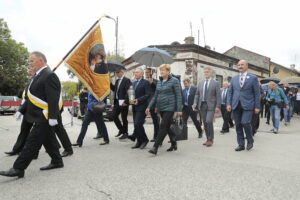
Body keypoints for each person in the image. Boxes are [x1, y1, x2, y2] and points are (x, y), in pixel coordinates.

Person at [0, 52, 63, 178]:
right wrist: (20, 111)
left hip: (44, 116)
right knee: (48, 140)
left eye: (32, 61)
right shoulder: (38, 76)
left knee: (31, 142)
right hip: (38, 115)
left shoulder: (49, 75)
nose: (30, 63)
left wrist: (52, 117)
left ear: (41, 60)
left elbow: (53, 99)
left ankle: (18, 168)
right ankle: (57, 161)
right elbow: (30, 98)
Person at [72, 53, 109, 147]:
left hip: (97, 107)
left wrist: (99, 101)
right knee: (84, 124)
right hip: (90, 108)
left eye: (98, 59)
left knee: (101, 124)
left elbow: (104, 93)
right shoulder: (92, 80)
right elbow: (90, 95)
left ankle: (106, 139)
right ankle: (79, 141)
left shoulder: (102, 77)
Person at [146, 64, 182, 155]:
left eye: (163, 70)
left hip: (170, 107)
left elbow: (178, 95)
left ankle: (155, 147)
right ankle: (174, 143)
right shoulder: (159, 81)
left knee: (163, 126)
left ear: (168, 71)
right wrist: (149, 106)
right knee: (167, 126)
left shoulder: (174, 81)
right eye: (160, 70)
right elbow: (155, 96)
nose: (161, 72)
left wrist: (179, 109)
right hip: (161, 107)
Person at [227, 60, 260, 151]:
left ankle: (250, 140)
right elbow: (230, 92)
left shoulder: (253, 78)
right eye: (238, 65)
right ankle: (241, 144)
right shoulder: (234, 78)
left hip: (248, 105)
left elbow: (257, 93)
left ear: (246, 66)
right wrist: (228, 103)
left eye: (242, 64)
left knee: (245, 122)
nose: (240, 66)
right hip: (236, 105)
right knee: (238, 125)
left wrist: (257, 106)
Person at [193, 66, 221, 147]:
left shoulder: (215, 83)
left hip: (211, 105)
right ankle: (207, 139)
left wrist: (218, 106)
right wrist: (195, 102)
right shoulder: (201, 83)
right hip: (202, 105)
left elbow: (218, 96)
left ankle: (211, 139)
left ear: (211, 73)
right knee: (205, 123)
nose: (206, 73)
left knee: (209, 121)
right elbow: (197, 94)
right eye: (205, 72)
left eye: (207, 72)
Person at [130, 68, 151, 149]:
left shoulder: (145, 82)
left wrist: (138, 100)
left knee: (138, 123)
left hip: (142, 106)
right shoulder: (134, 83)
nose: (135, 73)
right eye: (134, 72)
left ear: (142, 74)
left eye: (137, 72)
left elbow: (148, 94)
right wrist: (131, 100)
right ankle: (139, 142)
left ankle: (145, 140)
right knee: (136, 125)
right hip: (134, 106)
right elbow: (132, 94)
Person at [110, 69, 132, 139]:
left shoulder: (126, 80)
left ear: (122, 72)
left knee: (123, 118)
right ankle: (121, 130)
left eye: (118, 72)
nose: (116, 74)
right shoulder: (117, 81)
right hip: (117, 101)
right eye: (116, 72)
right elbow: (114, 89)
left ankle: (125, 133)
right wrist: (110, 83)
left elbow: (128, 91)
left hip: (123, 101)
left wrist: (126, 101)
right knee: (114, 116)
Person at [144, 68, 160, 142]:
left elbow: (158, 91)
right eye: (146, 72)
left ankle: (156, 137)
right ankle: (136, 135)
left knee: (156, 121)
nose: (146, 73)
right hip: (145, 103)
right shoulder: (144, 81)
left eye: (148, 72)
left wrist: (152, 83)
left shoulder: (156, 81)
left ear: (151, 73)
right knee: (139, 120)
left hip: (153, 104)